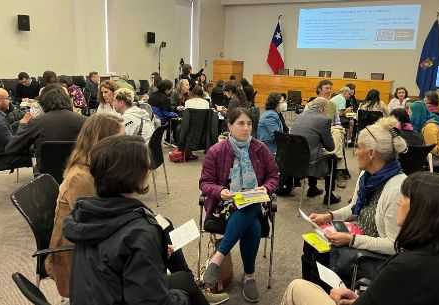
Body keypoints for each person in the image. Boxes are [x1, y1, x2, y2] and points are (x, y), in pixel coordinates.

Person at [282, 172, 439, 305]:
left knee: (297, 288)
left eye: (405, 197)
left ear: (423, 211)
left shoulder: (406, 266)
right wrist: (359, 299)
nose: (399, 201)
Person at [63, 135, 211, 305]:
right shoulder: (139, 232)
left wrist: (153, 253)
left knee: (184, 280)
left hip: (97, 296)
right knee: (186, 291)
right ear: (135, 174)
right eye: (148, 167)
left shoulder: (84, 213)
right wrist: (183, 299)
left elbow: (111, 259)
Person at [301, 116, 407, 289]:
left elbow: (393, 245)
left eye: (358, 147)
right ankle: (310, 294)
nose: (356, 153)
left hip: (377, 257)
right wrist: (329, 216)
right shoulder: (367, 177)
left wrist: (351, 240)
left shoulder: (397, 188)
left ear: (371, 153)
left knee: (322, 255)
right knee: (311, 243)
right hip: (359, 238)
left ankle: (322, 296)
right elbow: (354, 208)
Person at [200, 108, 279, 303]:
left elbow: (274, 176)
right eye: (241, 124)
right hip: (225, 204)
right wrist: (220, 191)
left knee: (250, 205)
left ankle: (217, 258)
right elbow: (205, 183)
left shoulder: (260, 148)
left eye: (249, 124)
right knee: (251, 222)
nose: (246, 128)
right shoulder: (216, 151)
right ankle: (249, 276)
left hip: (255, 202)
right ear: (229, 126)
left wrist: (265, 189)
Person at [45, 114, 125, 297]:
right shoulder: (83, 177)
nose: (126, 143)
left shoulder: (95, 167)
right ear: (103, 142)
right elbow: (96, 227)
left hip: (89, 243)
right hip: (75, 256)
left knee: (159, 228)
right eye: (121, 139)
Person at [6, 85, 87, 167]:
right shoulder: (85, 121)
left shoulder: (36, 122)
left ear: (43, 104)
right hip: (78, 169)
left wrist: (22, 125)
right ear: (69, 101)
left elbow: (12, 148)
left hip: (47, 172)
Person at [291, 98, 339, 203]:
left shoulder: (299, 116)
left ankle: (313, 188)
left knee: (312, 149)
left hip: (294, 161)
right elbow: (330, 147)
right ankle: (329, 195)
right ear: (323, 107)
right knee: (333, 158)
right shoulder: (324, 120)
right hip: (310, 163)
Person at [0, 88, 32, 171]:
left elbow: (5, 131)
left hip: (1, 152)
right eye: (7, 98)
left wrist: (20, 122)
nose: (10, 101)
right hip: (2, 158)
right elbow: (15, 145)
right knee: (40, 153)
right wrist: (22, 124)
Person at [409, 101, 439, 166]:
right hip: (431, 156)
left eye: (411, 112)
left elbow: (432, 150)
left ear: (417, 114)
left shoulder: (429, 127)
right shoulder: (423, 122)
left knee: (407, 160)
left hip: (438, 159)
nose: (409, 114)